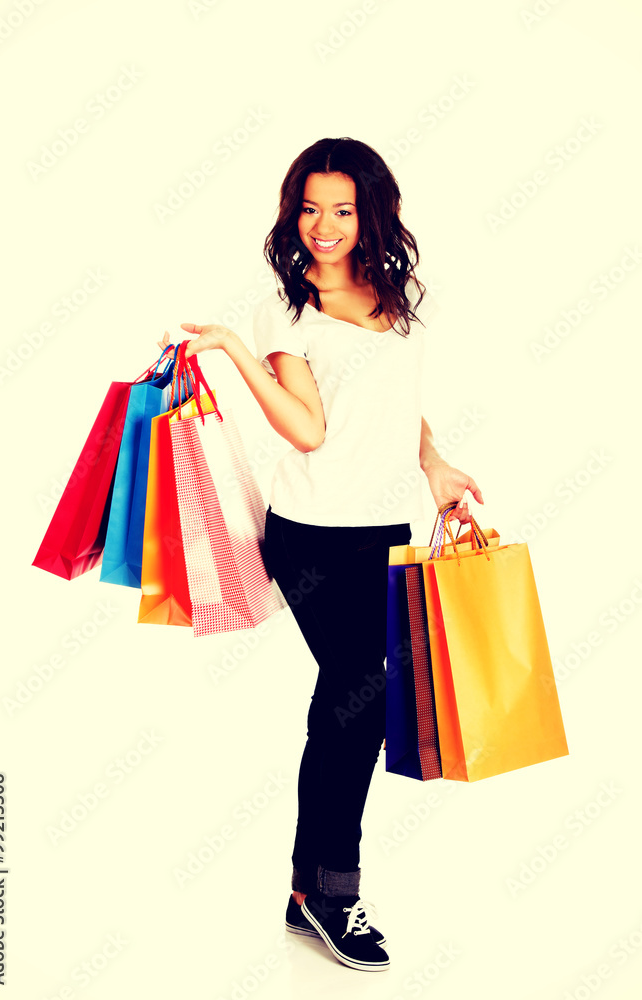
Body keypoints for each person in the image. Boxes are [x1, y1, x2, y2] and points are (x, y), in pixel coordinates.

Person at [158, 136, 483, 973]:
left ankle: (309, 891)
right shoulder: (285, 310)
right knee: (363, 698)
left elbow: (390, 403)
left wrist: (436, 465)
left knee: (345, 703)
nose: (324, 225)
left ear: (378, 210)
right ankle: (334, 893)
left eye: (341, 207)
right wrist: (234, 350)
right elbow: (308, 427)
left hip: (384, 528)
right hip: (308, 532)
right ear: (290, 211)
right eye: (309, 207)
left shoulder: (402, 295)